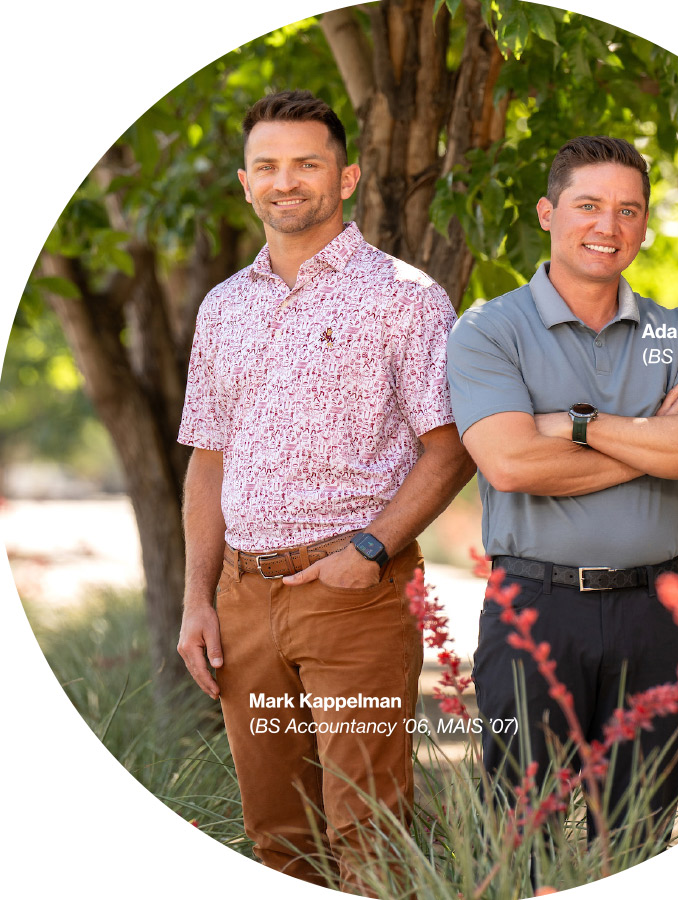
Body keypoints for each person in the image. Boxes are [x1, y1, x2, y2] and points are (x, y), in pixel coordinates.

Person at [176, 90, 474, 890]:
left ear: (346, 178)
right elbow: (209, 462)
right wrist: (197, 599)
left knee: (368, 832)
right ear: (245, 183)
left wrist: (369, 551)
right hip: (241, 598)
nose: (287, 181)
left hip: (355, 598)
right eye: (268, 165)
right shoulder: (223, 306)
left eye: (307, 163)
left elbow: (450, 451)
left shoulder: (405, 297)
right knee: (279, 838)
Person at [447, 136, 678, 849]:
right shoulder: (491, 328)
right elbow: (512, 463)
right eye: (588, 205)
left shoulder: (676, 332)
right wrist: (654, 445)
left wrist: (579, 427)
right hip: (532, 616)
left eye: (628, 210)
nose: (608, 226)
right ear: (548, 213)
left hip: (655, 616)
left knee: (639, 837)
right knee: (525, 837)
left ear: (643, 225)